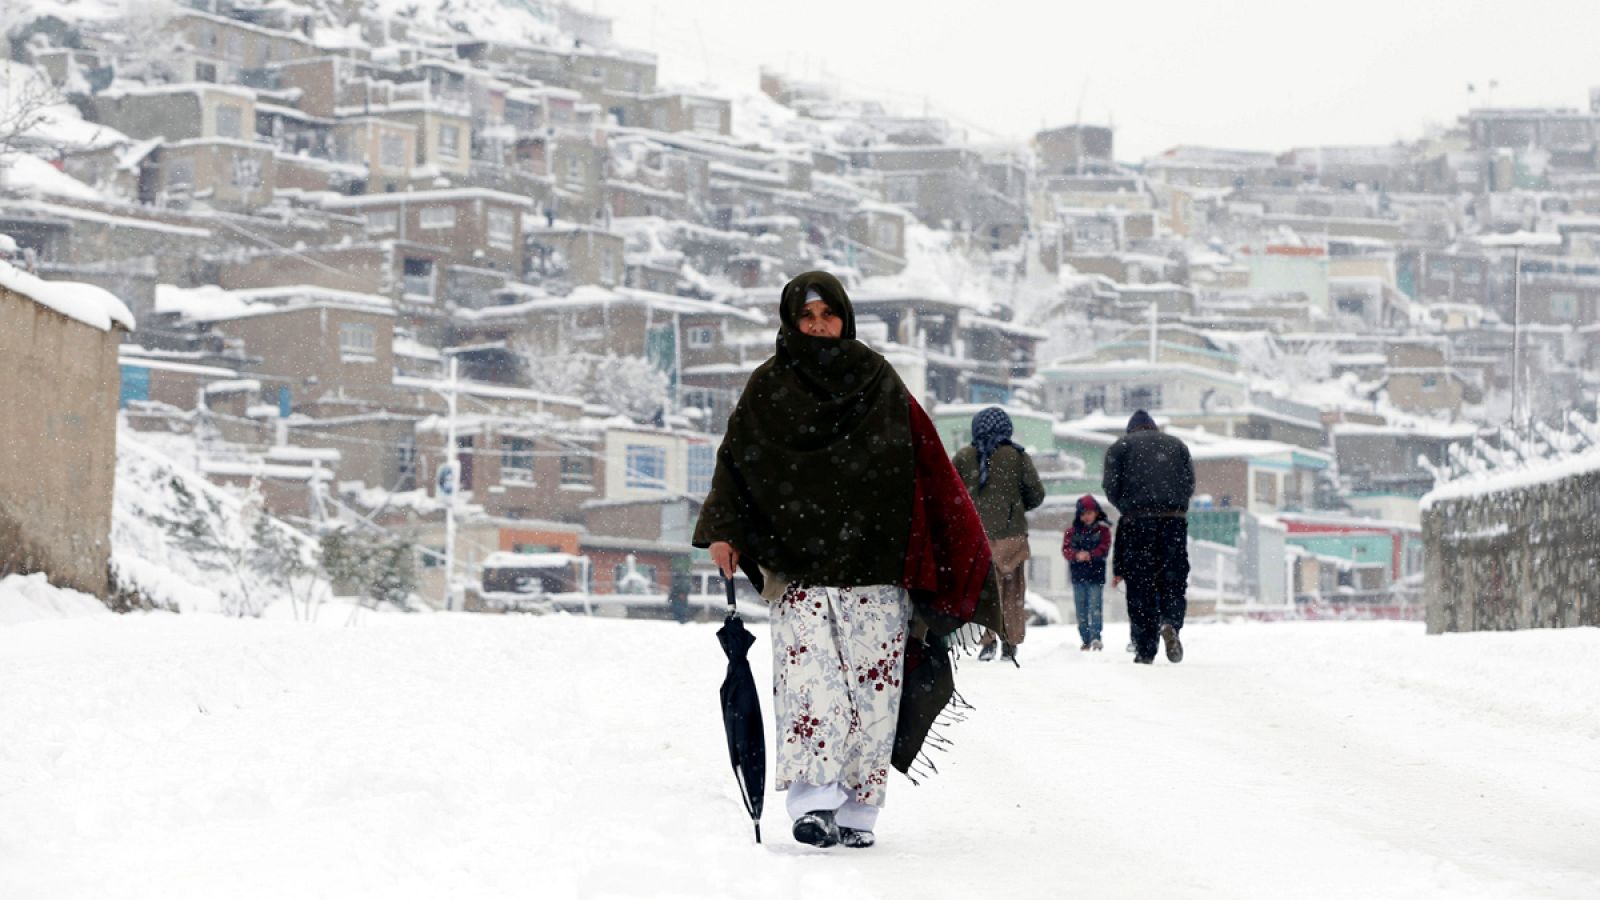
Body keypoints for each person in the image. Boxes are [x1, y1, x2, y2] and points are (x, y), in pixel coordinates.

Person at [693, 271, 994, 850]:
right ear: (790, 321)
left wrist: (953, 543)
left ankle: (858, 812)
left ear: (845, 318)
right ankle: (812, 805)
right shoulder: (770, 387)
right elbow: (736, 460)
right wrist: (721, 531)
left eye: (827, 315)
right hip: (799, 567)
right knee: (810, 687)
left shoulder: (877, 379)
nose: (818, 327)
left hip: (876, 565)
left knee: (871, 692)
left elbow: (926, 460)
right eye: (806, 318)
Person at [952, 408, 1045, 665]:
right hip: (1011, 536)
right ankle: (1010, 642)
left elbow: (949, 494)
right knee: (1012, 591)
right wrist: (1014, 506)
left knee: (983, 591)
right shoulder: (1016, 456)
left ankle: (986, 640)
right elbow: (1036, 494)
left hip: (975, 538)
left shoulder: (963, 456)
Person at [1102, 410, 1195, 665]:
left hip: (1137, 521)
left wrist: (1129, 507)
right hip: (1173, 520)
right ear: (1153, 427)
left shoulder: (1120, 447)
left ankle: (1145, 649)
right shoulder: (1177, 445)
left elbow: (1110, 487)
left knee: (1140, 584)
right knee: (1173, 578)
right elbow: (1189, 484)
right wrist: (1175, 507)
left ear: (1131, 430)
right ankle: (1170, 622)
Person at [1063, 494, 1112, 651]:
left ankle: (1096, 637)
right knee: (1081, 611)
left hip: (1096, 577)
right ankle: (1085, 639)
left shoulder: (1103, 531)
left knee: (1095, 608)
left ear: (1096, 513)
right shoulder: (1071, 532)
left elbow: (1104, 549)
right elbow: (1066, 550)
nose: (1087, 517)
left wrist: (1091, 555)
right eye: (1083, 514)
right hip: (1078, 577)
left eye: (1090, 513)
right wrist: (1076, 555)